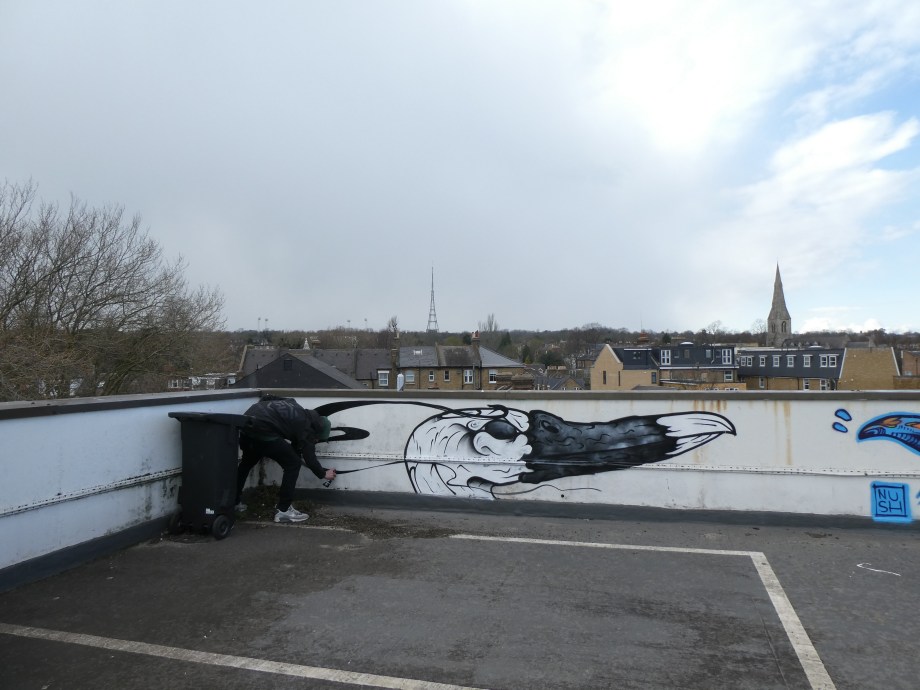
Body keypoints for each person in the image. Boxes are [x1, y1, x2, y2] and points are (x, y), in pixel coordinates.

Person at [235, 395, 336, 523]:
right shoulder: (307, 427)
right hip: (264, 430)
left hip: (246, 424)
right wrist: (323, 474)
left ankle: (232, 503)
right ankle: (283, 510)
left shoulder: (294, 405)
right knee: (293, 464)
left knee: (246, 463)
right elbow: (309, 458)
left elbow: (266, 398)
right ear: (317, 431)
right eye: (318, 439)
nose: (315, 441)